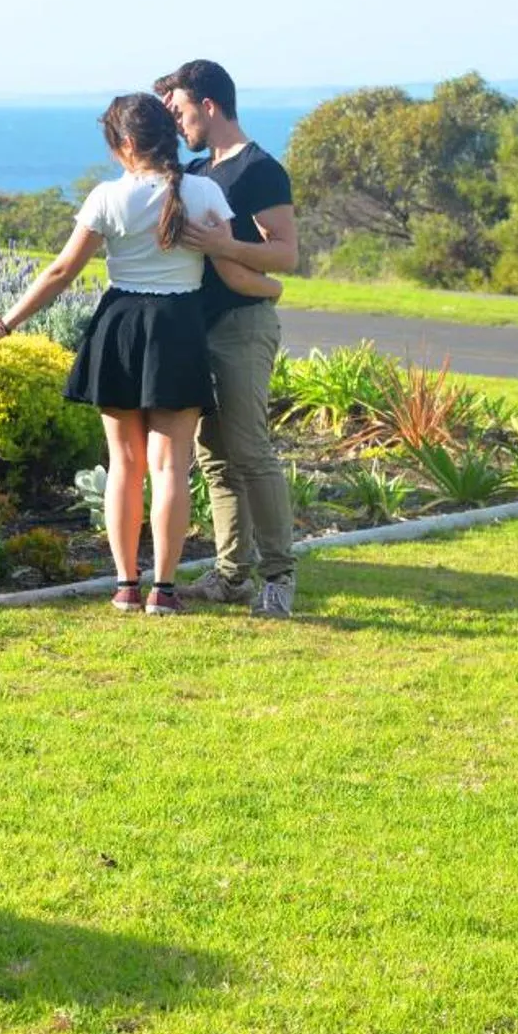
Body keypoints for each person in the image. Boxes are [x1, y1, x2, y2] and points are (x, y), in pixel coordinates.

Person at [0, 94, 273, 616]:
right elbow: (228, 268)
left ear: (128, 144)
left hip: (120, 328)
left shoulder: (107, 197)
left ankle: (126, 587)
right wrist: (270, 287)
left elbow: (60, 272)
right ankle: (165, 590)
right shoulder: (203, 192)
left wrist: (2, 325)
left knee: (124, 464)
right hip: (178, 329)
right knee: (171, 466)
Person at [156, 59, 302, 619]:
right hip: (199, 327)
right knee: (213, 456)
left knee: (249, 450)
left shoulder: (261, 169)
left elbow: (285, 253)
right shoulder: (197, 169)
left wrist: (225, 247)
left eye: (181, 110)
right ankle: (230, 575)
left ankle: (278, 578)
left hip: (244, 326)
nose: (177, 123)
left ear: (209, 106)